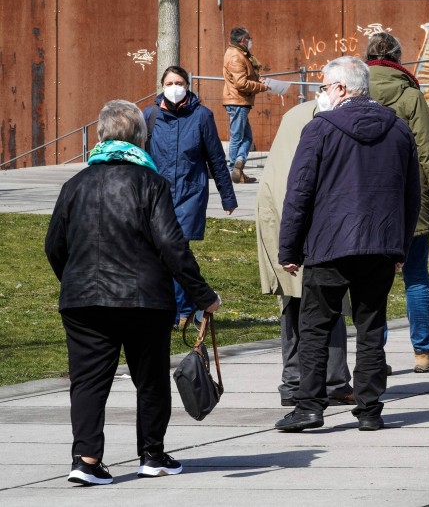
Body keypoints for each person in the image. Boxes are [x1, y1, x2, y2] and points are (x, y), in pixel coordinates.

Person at [46, 100, 221, 485]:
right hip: (143, 299)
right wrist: (203, 295)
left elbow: (53, 246)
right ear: (142, 138)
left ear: (101, 136)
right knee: (151, 379)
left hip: (83, 299)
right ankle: (152, 455)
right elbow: (173, 248)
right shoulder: (151, 183)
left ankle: (86, 460)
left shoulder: (74, 185)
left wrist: (74, 279)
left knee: (88, 381)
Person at [274, 56, 420, 433]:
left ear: (340, 89)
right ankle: (370, 409)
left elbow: (299, 191)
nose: (321, 93)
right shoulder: (399, 129)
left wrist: (288, 248)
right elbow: (412, 195)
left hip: (329, 244)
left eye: (323, 86)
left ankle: (309, 406)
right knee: (371, 328)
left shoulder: (320, 128)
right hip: (380, 245)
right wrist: (400, 246)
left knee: (315, 327)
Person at [255, 94, 354, 408]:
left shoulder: (298, 116)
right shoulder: (325, 121)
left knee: (295, 302)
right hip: (310, 225)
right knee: (326, 301)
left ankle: (296, 383)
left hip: (286, 221)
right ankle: (331, 382)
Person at [365, 32, 429, 372]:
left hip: (365, 199)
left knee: (372, 280)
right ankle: (424, 351)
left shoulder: (354, 91)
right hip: (408, 196)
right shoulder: (409, 95)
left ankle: (374, 355)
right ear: (399, 60)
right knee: (416, 276)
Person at [142, 65, 237, 321]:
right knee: (159, 252)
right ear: (162, 86)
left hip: (189, 195)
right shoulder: (149, 115)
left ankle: (183, 311)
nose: (174, 88)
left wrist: (227, 195)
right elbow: (139, 157)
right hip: (157, 196)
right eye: (169, 83)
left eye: (179, 82)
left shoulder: (202, 116)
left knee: (178, 251)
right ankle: (168, 308)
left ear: (187, 85)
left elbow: (216, 158)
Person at [222, 26, 282, 183]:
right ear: (243, 40)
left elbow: (244, 77)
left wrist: (257, 80)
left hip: (239, 101)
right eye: (249, 39)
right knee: (238, 136)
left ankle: (238, 166)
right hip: (238, 101)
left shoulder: (239, 54)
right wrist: (262, 87)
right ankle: (234, 167)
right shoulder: (236, 56)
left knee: (246, 137)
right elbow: (241, 83)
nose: (250, 42)